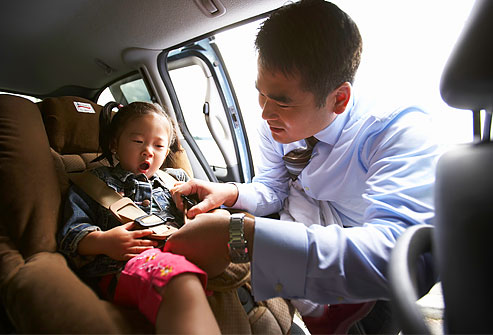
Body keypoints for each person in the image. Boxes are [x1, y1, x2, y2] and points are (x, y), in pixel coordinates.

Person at [166, 0, 441, 333]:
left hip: (363, 282)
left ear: (339, 98)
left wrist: (241, 237)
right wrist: (230, 191)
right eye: (260, 94)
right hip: (300, 253)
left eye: (282, 101)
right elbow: (272, 189)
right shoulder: (274, 123)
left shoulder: (394, 129)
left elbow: (403, 255)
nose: (265, 113)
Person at [57, 101, 220, 334]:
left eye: (159, 145)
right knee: (178, 279)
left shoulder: (176, 181)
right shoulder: (93, 182)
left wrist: (188, 207)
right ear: (115, 143)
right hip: (124, 266)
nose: (148, 151)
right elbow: (70, 235)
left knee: (231, 226)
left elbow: (200, 218)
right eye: (138, 141)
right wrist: (104, 242)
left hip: (183, 249)